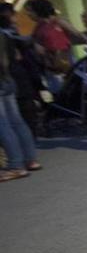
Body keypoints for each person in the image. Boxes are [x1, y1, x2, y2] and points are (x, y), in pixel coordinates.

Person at [0, 27, 40, 181]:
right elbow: (14, 56)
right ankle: (30, 159)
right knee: (17, 122)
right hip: (8, 78)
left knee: (3, 125)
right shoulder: (4, 34)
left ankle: (15, 165)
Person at [26, 0, 83, 92]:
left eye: (30, 10)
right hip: (55, 67)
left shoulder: (53, 24)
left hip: (60, 66)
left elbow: (76, 35)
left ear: (38, 10)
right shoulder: (40, 27)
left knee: (66, 93)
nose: (28, 14)